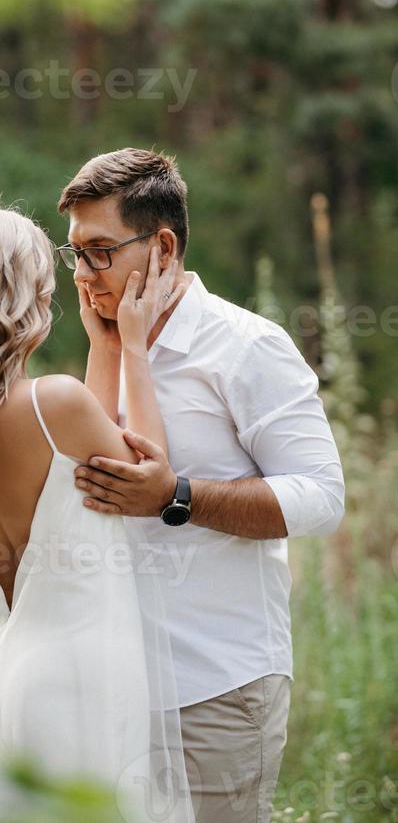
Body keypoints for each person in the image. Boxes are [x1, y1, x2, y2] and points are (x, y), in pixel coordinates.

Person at [56, 147, 346, 823]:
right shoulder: (106, 340)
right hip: (116, 690)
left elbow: (323, 498)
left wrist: (177, 497)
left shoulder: (246, 347)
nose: (82, 273)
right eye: (74, 253)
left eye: (99, 251)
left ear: (161, 248)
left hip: (215, 687)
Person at [0, 199, 195, 823]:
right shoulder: (52, 402)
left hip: (7, 674)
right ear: (15, 296)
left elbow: (83, 452)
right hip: (77, 683)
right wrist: (133, 347)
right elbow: (146, 477)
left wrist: (103, 345)